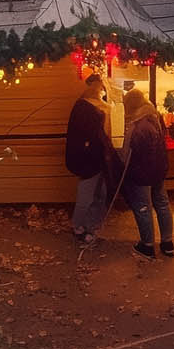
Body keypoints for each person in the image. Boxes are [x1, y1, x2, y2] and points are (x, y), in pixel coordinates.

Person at [120, 90, 173, 260]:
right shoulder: (154, 119)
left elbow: (130, 153)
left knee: (143, 207)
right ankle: (167, 242)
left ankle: (147, 246)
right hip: (158, 170)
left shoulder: (138, 126)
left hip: (142, 173)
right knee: (162, 204)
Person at [64, 73, 112, 245]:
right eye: (101, 87)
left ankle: (91, 226)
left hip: (99, 157)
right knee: (88, 195)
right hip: (91, 159)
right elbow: (86, 135)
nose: (102, 91)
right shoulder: (85, 107)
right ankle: (79, 227)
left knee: (100, 194)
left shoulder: (90, 105)